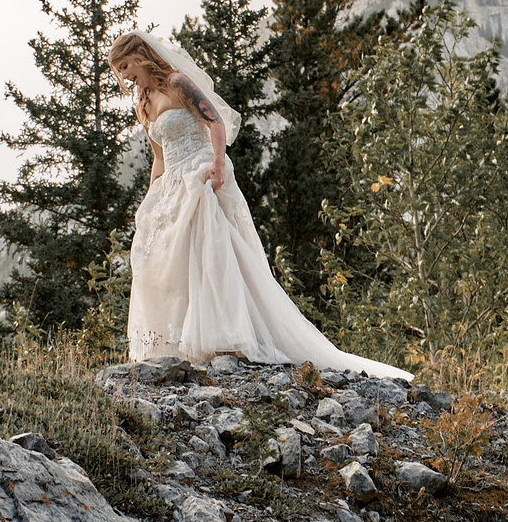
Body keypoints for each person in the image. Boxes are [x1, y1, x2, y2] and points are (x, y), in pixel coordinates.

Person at [114, 27, 410, 381]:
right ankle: (174, 346)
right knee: (160, 258)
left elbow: (215, 121)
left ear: (141, 56)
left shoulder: (179, 83)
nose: (126, 77)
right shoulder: (143, 105)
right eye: (121, 72)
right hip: (172, 183)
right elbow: (158, 160)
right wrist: (150, 201)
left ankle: (223, 339)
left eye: (126, 67)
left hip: (201, 172)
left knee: (209, 252)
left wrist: (218, 164)